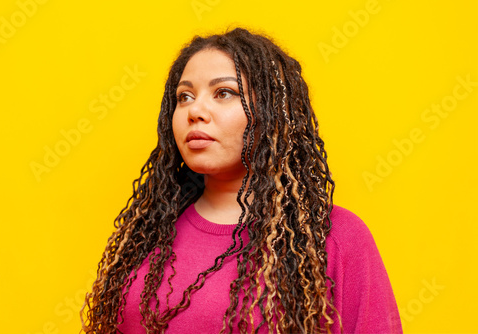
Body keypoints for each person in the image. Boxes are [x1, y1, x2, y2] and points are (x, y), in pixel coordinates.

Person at [80, 27, 403, 334]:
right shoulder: (150, 231)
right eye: (184, 97)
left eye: (224, 93)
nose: (195, 111)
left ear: (271, 112)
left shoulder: (335, 237)